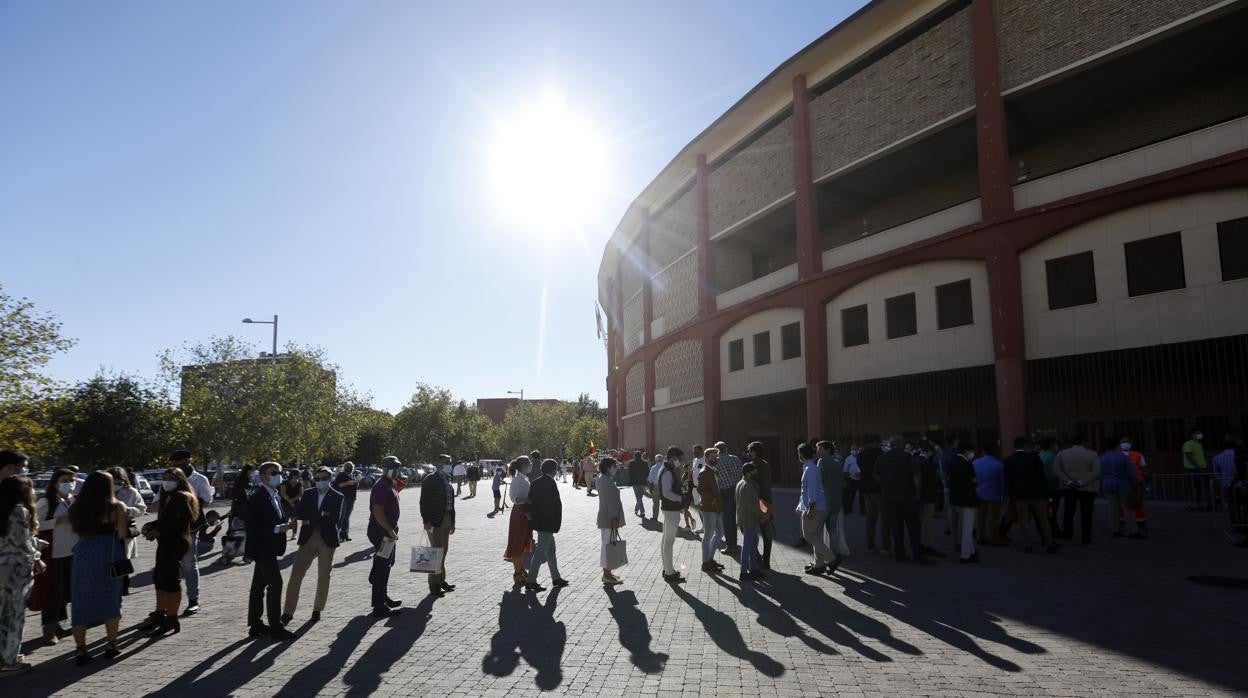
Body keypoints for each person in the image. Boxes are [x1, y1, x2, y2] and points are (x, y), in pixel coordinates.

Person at [67, 471, 128, 664]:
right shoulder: (117, 506)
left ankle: (80, 649)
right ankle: (111, 644)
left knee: (81, 599)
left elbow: (75, 530)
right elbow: (122, 534)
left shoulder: (76, 506)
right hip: (109, 551)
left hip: (83, 550)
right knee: (111, 598)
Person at [282, 467, 343, 624]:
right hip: (308, 538)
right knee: (296, 575)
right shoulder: (308, 494)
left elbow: (334, 519)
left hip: (327, 539)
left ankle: (317, 609)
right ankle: (288, 612)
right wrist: (320, 515)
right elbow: (300, 513)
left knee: (323, 576)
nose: (319, 482)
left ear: (330, 479)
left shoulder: (337, 497)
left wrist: (313, 517)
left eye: (323, 478)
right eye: (317, 479)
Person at [142, 468, 199, 638]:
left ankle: (172, 618)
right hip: (166, 542)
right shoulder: (168, 497)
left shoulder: (182, 497)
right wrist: (152, 526)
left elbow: (180, 522)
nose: (166, 481)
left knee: (170, 580)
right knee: (159, 578)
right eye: (164, 478)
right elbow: (165, 520)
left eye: (171, 478)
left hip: (176, 543)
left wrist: (157, 530)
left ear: (179, 480)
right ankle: (159, 614)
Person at [244, 461, 295, 640]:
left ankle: (255, 623)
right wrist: (277, 529)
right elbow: (252, 526)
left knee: (258, 586)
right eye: (274, 472)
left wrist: (284, 525)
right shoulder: (257, 497)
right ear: (264, 475)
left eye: (279, 472)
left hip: (270, 547)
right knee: (276, 584)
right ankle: (276, 627)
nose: (278, 475)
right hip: (262, 547)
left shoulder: (275, 495)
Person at [0, 475, 44, 676]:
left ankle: (7, 655)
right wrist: (37, 555)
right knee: (14, 615)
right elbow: (22, 542)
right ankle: (8, 661)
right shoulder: (18, 511)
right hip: (16, 569)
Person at [36, 468, 76, 645]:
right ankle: (49, 629)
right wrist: (57, 521)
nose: (69, 483)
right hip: (53, 552)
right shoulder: (46, 501)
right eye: (65, 480)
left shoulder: (71, 500)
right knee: (53, 591)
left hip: (71, 550)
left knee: (65, 590)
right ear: (55, 483)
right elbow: (36, 525)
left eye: (71, 480)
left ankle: (58, 623)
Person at [1003, 436, 1060, 553]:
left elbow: (1008, 480)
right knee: (1043, 519)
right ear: (1025, 445)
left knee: (1023, 520)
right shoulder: (1034, 458)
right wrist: (1047, 493)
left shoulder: (1008, 460)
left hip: (1019, 496)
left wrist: (1009, 495)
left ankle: (1027, 545)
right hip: (1037, 494)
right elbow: (1042, 477)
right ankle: (1049, 544)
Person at [172, 449, 211, 617]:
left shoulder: (200, 479)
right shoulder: (170, 478)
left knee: (189, 562)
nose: (177, 465)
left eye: (180, 462)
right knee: (171, 564)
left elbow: (206, 501)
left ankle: (193, 600)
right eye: (175, 463)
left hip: (190, 526)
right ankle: (168, 603)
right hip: (170, 526)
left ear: (189, 460)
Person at [368, 456, 406, 614]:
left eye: (397, 466)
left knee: (387, 564)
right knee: (382, 566)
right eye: (392, 467)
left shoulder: (390, 483)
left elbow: (396, 493)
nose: (396, 469)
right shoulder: (382, 485)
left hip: (388, 529)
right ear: (384, 468)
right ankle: (378, 605)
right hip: (382, 530)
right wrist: (390, 531)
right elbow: (377, 510)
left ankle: (383, 596)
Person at [794, 443, 836, 573]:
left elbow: (812, 490)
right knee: (815, 535)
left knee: (808, 535)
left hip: (815, 507)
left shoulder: (810, 469)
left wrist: (810, 507)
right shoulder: (810, 467)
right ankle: (819, 564)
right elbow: (807, 491)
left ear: (801, 455)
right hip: (818, 506)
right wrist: (801, 506)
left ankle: (832, 558)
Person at [526, 459, 568, 591]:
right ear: (554, 470)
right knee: (541, 551)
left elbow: (530, 500)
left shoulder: (536, 482)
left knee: (550, 550)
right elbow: (552, 505)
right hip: (547, 522)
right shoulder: (550, 482)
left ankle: (556, 577)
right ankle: (531, 580)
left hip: (539, 521)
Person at [419, 454, 456, 598]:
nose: (449, 464)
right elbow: (424, 501)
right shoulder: (431, 479)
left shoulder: (447, 478)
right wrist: (426, 520)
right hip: (434, 520)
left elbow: (451, 502)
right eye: (447, 462)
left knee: (443, 550)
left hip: (446, 518)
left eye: (450, 462)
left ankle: (441, 580)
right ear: (438, 463)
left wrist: (453, 522)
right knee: (436, 553)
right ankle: (434, 585)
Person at [1054, 435, 1100, 544]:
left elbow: (1056, 469)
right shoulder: (1092, 454)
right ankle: (1086, 537)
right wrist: (1081, 482)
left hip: (1068, 487)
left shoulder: (1062, 453)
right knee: (1087, 514)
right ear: (1084, 442)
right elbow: (1095, 471)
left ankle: (1068, 535)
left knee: (1068, 512)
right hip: (1087, 487)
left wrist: (1068, 481)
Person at [1099, 438, 1142, 538]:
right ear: (1117, 445)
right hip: (1123, 484)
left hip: (1108, 483)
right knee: (1128, 508)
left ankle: (1115, 530)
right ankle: (1133, 531)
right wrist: (1135, 485)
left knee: (1112, 508)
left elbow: (1099, 474)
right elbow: (1131, 473)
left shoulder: (1102, 458)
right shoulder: (1123, 457)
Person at [504, 457, 535, 585]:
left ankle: (521, 570)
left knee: (522, 542)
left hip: (524, 512)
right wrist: (528, 499)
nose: (531, 465)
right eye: (530, 464)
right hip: (519, 512)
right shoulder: (518, 480)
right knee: (517, 542)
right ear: (524, 466)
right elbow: (514, 498)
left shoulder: (523, 478)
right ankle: (518, 573)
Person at [817, 441, 848, 570]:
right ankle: (834, 554)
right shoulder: (837, 463)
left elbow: (819, 482)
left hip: (824, 503)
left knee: (817, 531)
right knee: (833, 530)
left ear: (827, 450)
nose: (818, 451)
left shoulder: (822, 462)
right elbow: (843, 483)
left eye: (820, 449)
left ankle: (827, 558)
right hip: (836, 501)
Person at [948, 442, 980, 563]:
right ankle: (966, 554)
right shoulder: (966, 463)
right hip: (967, 498)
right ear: (967, 450)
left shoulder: (953, 461)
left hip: (956, 498)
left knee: (965, 526)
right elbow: (973, 480)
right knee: (968, 527)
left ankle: (970, 551)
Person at [744, 442, 774, 569]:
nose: (748, 453)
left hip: (757, 501)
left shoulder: (753, 465)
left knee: (749, 529)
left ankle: (757, 556)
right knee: (766, 530)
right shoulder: (765, 463)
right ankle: (766, 560)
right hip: (766, 501)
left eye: (750, 451)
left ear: (755, 451)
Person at [658, 446, 686, 583]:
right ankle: (669, 573)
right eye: (678, 459)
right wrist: (680, 498)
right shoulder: (667, 472)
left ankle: (667, 569)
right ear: (672, 458)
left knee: (666, 540)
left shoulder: (667, 469)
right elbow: (666, 493)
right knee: (669, 541)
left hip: (669, 509)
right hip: (671, 510)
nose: (680, 461)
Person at [595, 458, 625, 585]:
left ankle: (608, 572)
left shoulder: (601, 478)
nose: (616, 468)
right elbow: (611, 502)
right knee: (608, 545)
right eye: (614, 466)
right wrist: (614, 518)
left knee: (607, 543)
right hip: (609, 518)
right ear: (608, 467)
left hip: (606, 516)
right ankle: (606, 574)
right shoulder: (606, 481)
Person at [696, 448, 725, 574]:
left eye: (716, 457)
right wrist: (712, 499)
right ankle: (705, 563)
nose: (715, 459)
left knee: (719, 533)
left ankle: (710, 559)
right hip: (708, 508)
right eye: (712, 457)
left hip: (717, 507)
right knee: (708, 535)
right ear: (706, 457)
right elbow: (700, 490)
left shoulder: (714, 470)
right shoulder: (704, 471)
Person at [857, 435, 887, 554]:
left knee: (870, 518)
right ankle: (885, 547)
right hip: (878, 488)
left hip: (865, 488)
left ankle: (870, 546)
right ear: (875, 442)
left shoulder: (860, 454)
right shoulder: (879, 453)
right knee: (885, 517)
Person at [914, 443, 944, 558]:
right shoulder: (925, 462)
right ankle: (926, 545)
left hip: (921, 495)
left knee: (923, 521)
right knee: (927, 521)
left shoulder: (917, 460)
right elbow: (931, 479)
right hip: (927, 495)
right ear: (929, 451)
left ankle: (923, 543)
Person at [735, 463, 764, 582]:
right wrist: (763, 513)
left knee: (753, 542)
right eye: (754, 471)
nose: (756, 473)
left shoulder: (740, 483)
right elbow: (753, 504)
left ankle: (754, 569)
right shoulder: (749, 485)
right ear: (748, 472)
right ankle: (743, 572)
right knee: (747, 545)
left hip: (742, 517)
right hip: (749, 518)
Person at [972, 447, 1006, 546]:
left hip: (979, 493)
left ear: (984, 451)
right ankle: (994, 538)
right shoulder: (998, 465)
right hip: (993, 494)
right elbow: (1002, 481)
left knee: (980, 516)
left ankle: (980, 537)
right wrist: (1003, 493)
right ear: (996, 453)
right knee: (993, 517)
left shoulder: (975, 462)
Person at [714, 442, 743, 556]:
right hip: (738, 490)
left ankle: (731, 546)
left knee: (727, 519)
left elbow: (717, 479)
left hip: (725, 492)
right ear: (726, 448)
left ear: (717, 450)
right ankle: (734, 544)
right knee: (736, 519)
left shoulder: (717, 461)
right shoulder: (735, 458)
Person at [1117, 438, 1149, 538]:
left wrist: (1146, 481)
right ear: (1119, 444)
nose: (1126, 444)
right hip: (1122, 482)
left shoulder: (1138, 455)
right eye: (1123, 442)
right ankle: (1122, 522)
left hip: (1137, 483)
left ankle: (1141, 522)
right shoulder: (1117, 455)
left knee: (1137, 503)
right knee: (1123, 503)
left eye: (1128, 442)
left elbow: (1144, 469)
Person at [1037, 438, 1063, 538]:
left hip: (1044, 489)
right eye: (1055, 444)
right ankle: (1053, 530)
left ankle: (1052, 529)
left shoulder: (1040, 455)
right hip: (1052, 489)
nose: (1056, 446)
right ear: (1051, 445)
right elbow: (1053, 475)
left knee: (1049, 510)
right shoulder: (1052, 457)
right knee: (1052, 510)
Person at [333, 462, 359, 542]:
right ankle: (335, 534)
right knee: (342, 516)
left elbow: (355, 486)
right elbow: (337, 485)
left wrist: (357, 482)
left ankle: (344, 534)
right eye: (348, 467)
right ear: (345, 467)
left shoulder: (352, 475)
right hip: (343, 498)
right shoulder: (341, 475)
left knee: (347, 517)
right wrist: (348, 483)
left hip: (351, 498)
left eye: (351, 467)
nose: (350, 468)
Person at [279, 470, 304, 542]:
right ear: (293, 475)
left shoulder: (299, 484)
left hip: (295, 503)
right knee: (285, 519)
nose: (299, 476)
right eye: (298, 475)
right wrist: (290, 501)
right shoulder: (284, 483)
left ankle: (294, 534)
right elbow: (283, 494)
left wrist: (292, 501)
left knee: (294, 519)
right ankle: (282, 534)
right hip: (285, 503)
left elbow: (300, 494)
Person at [627, 451, 649, 519]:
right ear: (641, 455)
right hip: (643, 482)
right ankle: (637, 509)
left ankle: (642, 511)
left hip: (635, 482)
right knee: (640, 497)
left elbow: (629, 473)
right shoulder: (645, 463)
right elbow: (648, 472)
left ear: (634, 456)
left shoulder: (631, 463)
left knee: (638, 497)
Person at [842, 444, 861, 514]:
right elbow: (845, 470)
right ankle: (849, 509)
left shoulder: (860, 457)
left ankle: (863, 510)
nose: (854, 451)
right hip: (852, 479)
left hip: (861, 478)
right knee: (851, 494)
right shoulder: (848, 459)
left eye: (855, 449)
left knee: (862, 495)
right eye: (853, 449)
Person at [647, 455, 665, 521]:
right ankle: (667, 517)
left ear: (656, 460)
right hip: (665, 486)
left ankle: (655, 517)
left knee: (656, 503)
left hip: (656, 486)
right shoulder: (665, 467)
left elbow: (650, 479)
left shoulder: (653, 468)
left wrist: (650, 488)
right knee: (665, 502)